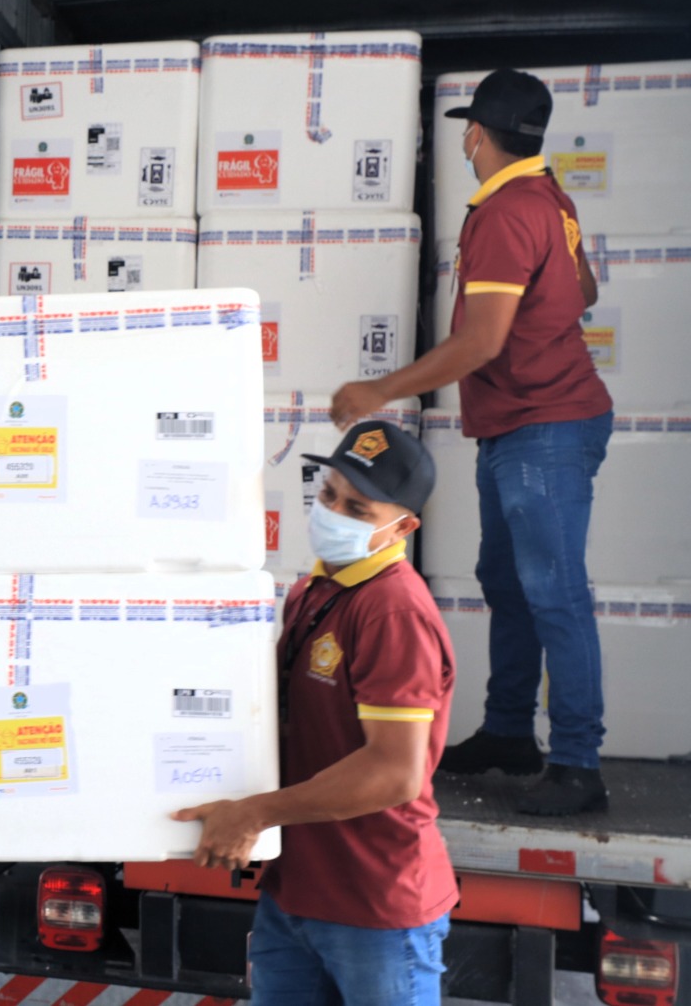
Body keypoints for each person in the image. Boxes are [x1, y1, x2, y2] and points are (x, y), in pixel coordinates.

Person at [331, 68, 612, 817]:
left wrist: (378, 392)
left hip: (545, 426)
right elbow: (584, 291)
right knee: (509, 582)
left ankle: (578, 764)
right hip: (521, 423)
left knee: (554, 591)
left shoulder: (506, 213)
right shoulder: (547, 198)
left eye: (466, 132)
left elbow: (481, 342)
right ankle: (510, 733)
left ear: (477, 134)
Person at [176, 421, 455, 1005]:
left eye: (357, 508)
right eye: (329, 495)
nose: (332, 513)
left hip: (374, 906)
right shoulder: (312, 591)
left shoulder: (392, 611)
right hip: (296, 893)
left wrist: (252, 813)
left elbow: (394, 772)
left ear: (403, 528)